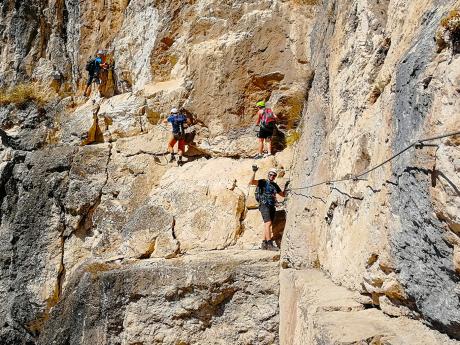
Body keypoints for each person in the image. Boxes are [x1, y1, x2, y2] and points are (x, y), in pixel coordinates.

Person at [249, 166, 288, 251]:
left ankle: (264, 243)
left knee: (267, 224)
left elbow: (282, 194)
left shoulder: (274, 185)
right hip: (264, 205)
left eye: (274, 175)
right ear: (268, 175)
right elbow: (251, 182)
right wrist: (254, 172)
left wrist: (287, 187)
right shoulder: (263, 182)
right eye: (271, 174)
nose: (272, 176)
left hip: (271, 206)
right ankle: (270, 244)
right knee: (268, 223)